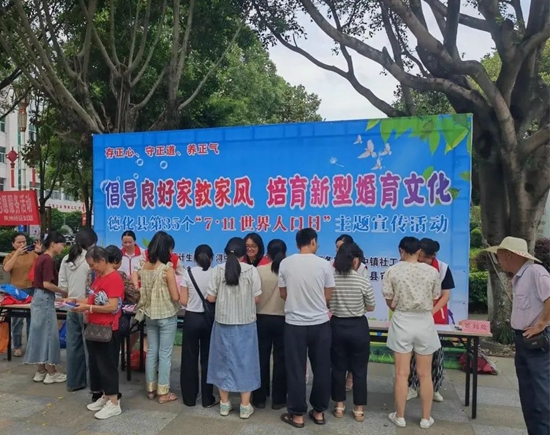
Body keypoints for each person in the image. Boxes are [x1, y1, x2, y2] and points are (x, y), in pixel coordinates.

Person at [486, 237, 550, 435]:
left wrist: (542, 323)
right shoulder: (518, 277)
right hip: (523, 339)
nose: (498, 261)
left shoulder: (535, 272)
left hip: (537, 340)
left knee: (541, 395)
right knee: (528, 394)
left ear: (508, 254)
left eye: (498, 256)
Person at [382, 236, 441, 429]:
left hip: (402, 320)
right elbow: (435, 297)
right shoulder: (432, 271)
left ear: (401, 250)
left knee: (401, 373)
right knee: (425, 374)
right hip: (424, 321)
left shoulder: (392, 271)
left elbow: (389, 300)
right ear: (419, 251)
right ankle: (425, 418)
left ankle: (400, 416)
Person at [278, 228, 335, 429]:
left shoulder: (286, 263)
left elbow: (283, 293)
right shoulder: (324, 265)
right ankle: (319, 412)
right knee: (322, 368)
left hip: (294, 324)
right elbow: (327, 296)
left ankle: (297, 415)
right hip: (320, 324)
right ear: (312, 241)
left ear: (297, 244)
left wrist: (298, 302)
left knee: (296, 369)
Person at [206, 237, 262, 419]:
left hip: (223, 322)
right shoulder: (251, 270)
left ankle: (224, 404)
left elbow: (210, 298)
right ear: (243, 253)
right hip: (246, 323)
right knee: (246, 362)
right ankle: (245, 406)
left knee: (222, 361)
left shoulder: (217, 270)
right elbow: (256, 299)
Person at [69, 247, 124, 420]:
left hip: (108, 328)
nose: (92, 268)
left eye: (93, 265)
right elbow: (92, 299)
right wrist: (75, 301)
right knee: (98, 364)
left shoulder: (114, 278)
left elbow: (112, 307)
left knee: (108, 366)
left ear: (102, 261)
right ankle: (106, 396)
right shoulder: (99, 277)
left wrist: (89, 307)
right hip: (94, 327)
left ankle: (114, 402)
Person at [330, 242, 376, 422]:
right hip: (358, 327)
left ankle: (339, 406)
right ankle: (358, 410)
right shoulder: (362, 281)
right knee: (360, 369)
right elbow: (371, 307)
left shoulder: (331, 279)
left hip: (336, 325)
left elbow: (326, 302)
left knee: (338, 367)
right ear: (356, 260)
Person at [134, 231, 181, 403]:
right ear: (166, 249)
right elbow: (175, 296)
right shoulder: (167, 269)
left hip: (150, 315)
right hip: (167, 315)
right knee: (165, 354)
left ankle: (151, 389)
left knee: (152, 351)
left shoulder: (145, 267)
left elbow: (136, 279)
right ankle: (163, 392)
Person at [408, 238, 455, 402]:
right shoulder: (410, 266)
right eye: (418, 254)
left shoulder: (442, 268)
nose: (419, 258)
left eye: (423, 256)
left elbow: (446, 295)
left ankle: (434, 388)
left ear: (432, 256)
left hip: (435, 316)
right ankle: (411, 387)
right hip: (414, 315)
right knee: (412, 352)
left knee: (436, 353)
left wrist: (432, 312)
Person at [24, 232, 67, 384]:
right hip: (45, 297)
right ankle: (52, 372)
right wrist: (63, 292)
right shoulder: (48, 260)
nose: (63, 247)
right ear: (53, 244)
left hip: (37, 297)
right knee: (49, 334)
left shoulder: (41, 258)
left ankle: (40, 370)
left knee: (39, 334)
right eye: (62, 244)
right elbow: (47, 284)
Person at [58, 228, 98, 392]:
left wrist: (70, 297)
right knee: (91, 347)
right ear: (91, 243)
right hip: (87, 307)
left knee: (73, 346)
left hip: (71, 306)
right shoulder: (92, 260)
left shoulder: (66, 259)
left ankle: (74, 382)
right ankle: (93, 384)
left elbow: (62, 286)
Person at [180, 244, 218, 408]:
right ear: (211, 258)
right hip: (209, 319)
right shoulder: (215, 274)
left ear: (194, 258)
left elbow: (183, 300)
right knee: (208, 358)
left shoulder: (187, 273)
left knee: (189, 358)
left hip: (191, 318)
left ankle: (189, 398)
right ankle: (207, 398)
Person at [252, 239, 288, 410]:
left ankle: (259, 398)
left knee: (261, 358)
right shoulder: (288, 271)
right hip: (283, 319)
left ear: (267, 253)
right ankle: (278, 400)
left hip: (261, 319)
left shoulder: (259, 270)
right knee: (281, 360)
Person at [334, 234, 369, 391]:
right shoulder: (332, 266)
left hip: (350, 316)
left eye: (340, 247)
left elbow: (369, 301)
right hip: (341, 316)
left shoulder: (361, 269)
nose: (337, 250)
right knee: (341, 359)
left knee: (352, 359)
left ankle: (349, 379)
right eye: (336, 247)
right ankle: (355, 405)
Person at [2, 233, 41, 357]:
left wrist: (40, 253)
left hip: (32, 288)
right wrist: (17, 254)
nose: (22, 244)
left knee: (32, 319)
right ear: (13, 244)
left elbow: (41, 266)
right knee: (17, 320)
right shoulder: (10, 256)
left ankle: (31, 346)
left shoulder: (32, 254)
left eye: (24, 242)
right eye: (19, 242)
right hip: (16, 291)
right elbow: (6, 268)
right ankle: (17, 346)